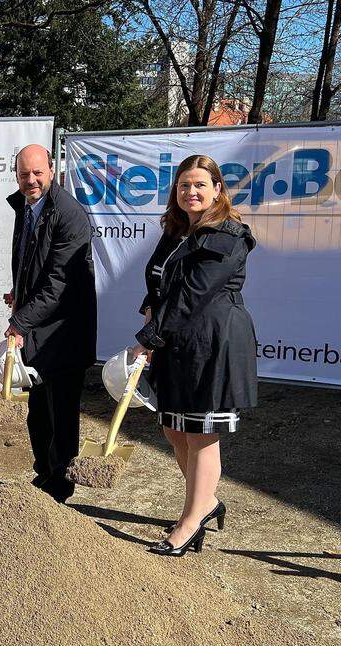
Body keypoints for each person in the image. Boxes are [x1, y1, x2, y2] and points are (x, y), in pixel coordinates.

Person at [133, 154, 257, 557]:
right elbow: (162, 281)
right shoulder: (177, 230)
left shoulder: (228, 234)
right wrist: (150, 308)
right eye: (185, 185)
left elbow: (192, 294)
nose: (191, 192)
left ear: (218, 189)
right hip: (177, 339)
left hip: (211, 341)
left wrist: (149, 336)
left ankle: (190, 521)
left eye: (200, 184)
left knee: (201, 434)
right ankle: (205, 501)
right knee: (173, 428)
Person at [4, 145, 97, 503]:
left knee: (61, 414)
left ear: (52, 170)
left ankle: (61, 486)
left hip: (64, 331)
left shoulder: (68, 213)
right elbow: (33, 263)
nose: (31, 180)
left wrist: (19, 322)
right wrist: (20, 293)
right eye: (24, 174)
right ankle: (44, 474)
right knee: (38, 411)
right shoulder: (25, 206)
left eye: (37, 173)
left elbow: (60, 282)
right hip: (37, 329)